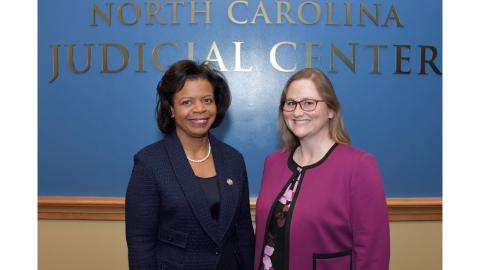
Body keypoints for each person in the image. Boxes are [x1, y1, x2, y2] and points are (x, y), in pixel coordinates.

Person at [254, 68, 390, 270]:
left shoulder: (358, 165)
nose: (298, 112)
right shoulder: (273, 163)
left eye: (309, 103)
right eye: (290, 103)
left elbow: (373, 253)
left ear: (331, 110)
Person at [125, 60, 254, 270]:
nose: (200, 109)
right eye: (187, 102)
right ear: (171, 109)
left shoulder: (234, 160)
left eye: (207, 100)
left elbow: (244, 232)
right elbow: (141, 242)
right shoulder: (149, 163)